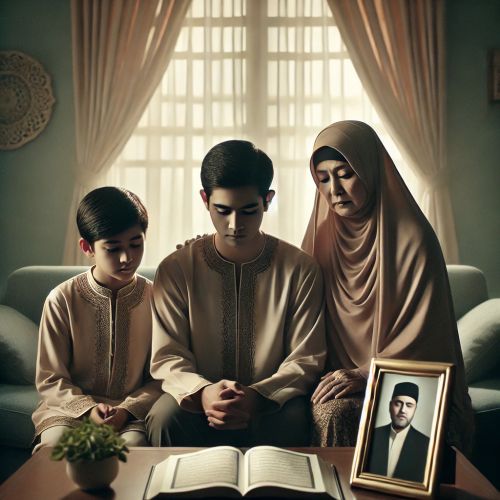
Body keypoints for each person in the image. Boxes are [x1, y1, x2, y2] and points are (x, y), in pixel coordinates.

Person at [303, 120, 473, 452]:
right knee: (329, 410)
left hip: (405, 376)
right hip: (337, 376)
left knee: (363, 413)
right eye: (323, 179)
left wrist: (369, 372)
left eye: (345, 174)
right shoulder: (320, 238)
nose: (334, 189)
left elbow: (426, 339)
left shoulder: (413, 240)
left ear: (370, 170)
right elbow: (288, 293)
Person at [147, 139, 327, 447]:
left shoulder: (300, 269)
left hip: (270, 405)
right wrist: (204, 393)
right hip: (196, 404)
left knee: (295, 416)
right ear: (205, 199)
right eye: (222, 210)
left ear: (267, 200)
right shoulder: (176, 270)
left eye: (248, 210)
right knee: (164, 417)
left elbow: (306, 357)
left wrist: (257, 397)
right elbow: (168, 355)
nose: (235, 224)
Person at [32, 187, 161, 450]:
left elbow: (160, 376)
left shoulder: (156, 299)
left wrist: (126, 410)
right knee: (55, 449)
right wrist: (88, 410)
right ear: (87, 247)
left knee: (133, 449)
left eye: (136, 244)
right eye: (113, 249)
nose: (127, 258)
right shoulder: (62, 299)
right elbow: (51, 378)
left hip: (130, 413)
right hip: (69, 412)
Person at [367, 382, 429, 482]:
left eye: (409, 405)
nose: (403, 410)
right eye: (398, 404)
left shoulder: (426, 444)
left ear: (415, 409)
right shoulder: (371, 435)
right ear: (390, 406)